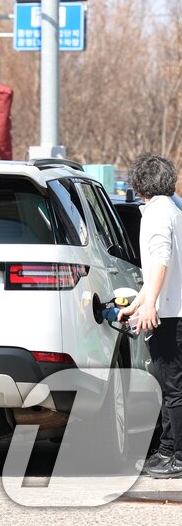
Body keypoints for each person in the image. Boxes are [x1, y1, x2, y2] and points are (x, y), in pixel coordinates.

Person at [120, 153, 182, 478]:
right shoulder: (173, 209)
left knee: (172, 389)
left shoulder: (156, 214)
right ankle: (167, 452)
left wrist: (150, 305)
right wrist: (138, 303)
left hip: (171, 314)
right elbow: (158, 271)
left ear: (138, 183)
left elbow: (161, 261)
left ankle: (177, 457)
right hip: (173, 308)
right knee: (172, 387)